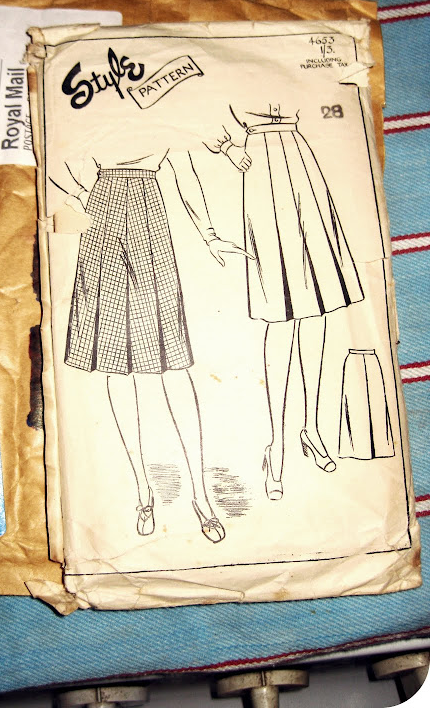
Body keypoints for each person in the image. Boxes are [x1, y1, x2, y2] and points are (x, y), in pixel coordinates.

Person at [55, 148, 251, 541]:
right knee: (114, 364)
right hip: (102, 213)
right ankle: (143, 492)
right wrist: (79, 194)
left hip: (149, 213)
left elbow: (183, 166)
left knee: (173, 365)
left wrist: (210, 235)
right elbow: (57, 152)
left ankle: (200, 496)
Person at [205, 104, 364, 499]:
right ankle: (276, 446)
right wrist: (227, 146)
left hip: (299, 159)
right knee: (280, 315)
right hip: (261, 166)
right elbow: (195, 108)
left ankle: (310, 429)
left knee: (316, 309)